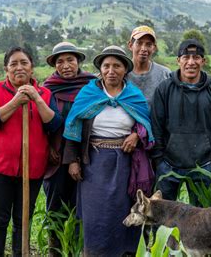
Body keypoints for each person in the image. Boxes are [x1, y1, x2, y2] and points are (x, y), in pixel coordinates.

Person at [62, 45, 154, 256]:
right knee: (96, 213)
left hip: (124, 162)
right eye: (106, 66)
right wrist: (73, 161)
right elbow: (73, 126)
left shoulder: (133, 95)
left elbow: (145, 124)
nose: (111, 70)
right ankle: (95, 252)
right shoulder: (89, 93)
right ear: (100, 69)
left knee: (122, 210)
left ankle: (125, 252)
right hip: (93, 163)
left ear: (125, 70)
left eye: (117, 66)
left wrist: (136, 136)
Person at [0, 46, 62, 256]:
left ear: (32, 68)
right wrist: (15, 101)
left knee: (23, 221)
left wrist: (37, 98)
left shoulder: (45, 93)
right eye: (13, 63)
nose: (19, 67)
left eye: (24, 62)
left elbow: (54, 125)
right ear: (6, 69)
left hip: (32, 170)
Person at [151, 39, 211, 206]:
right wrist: (159, 160)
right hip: (168, 166)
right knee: (161, 217)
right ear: (178, 60)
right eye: (186, 57)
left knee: (203, 221)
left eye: (196, 58)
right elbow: (156, 126)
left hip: (204, 166)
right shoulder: (164, 89)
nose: (191, 62)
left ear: (203, 61)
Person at [42, 42, 97, 255]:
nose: (66, 65)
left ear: (79, 62)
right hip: (56, 157)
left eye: (70, 60)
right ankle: (55, 249)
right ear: (54, 65)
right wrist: (47, 147)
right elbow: (39, 122)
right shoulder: (47, 89)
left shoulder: (92, 85)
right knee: (55, 205)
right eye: (60, 61)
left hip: (85, 155)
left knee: (81, 204)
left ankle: (78, 248)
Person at [126, 25, 171, 105]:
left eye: (149, 45)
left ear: (154, 48)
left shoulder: (165, 74)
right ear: (130, 45)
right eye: (139, 43)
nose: (143, 49)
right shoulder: (121, 73)